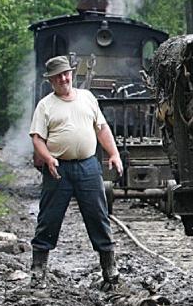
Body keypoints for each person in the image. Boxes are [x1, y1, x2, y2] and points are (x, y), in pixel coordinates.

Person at [29, 55, 124, 289]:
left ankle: (109, 270)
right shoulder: (45, 105)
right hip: (57, 168)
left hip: (88, 166)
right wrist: (48, 158)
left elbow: (102, 129)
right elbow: (37, 138)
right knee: (49, 218)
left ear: (72, 74)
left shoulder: (87, 98)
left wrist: (114, 154)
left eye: (66, 73)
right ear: (51, 80)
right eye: (58, 76)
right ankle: (39, 269)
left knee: (98, 216)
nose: (63, 78)